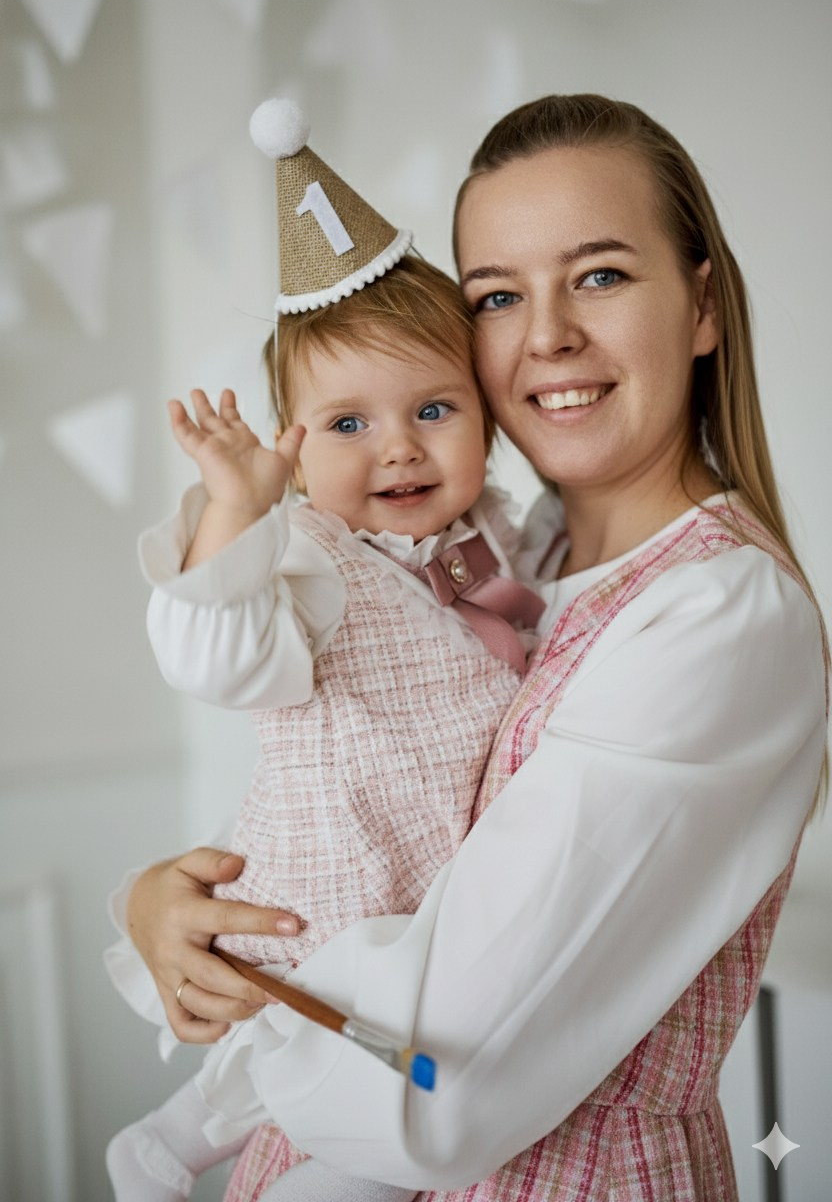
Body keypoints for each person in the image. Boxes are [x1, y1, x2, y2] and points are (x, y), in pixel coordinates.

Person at [111, 94, 828, 1202]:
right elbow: (360, 780)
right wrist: (166, 909)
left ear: (699, 305)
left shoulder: (717, 616)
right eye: (498, 295)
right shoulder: (507, 557)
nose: (546, 336)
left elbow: (431, 1088)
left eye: (599, 275)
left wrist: (259, 1001)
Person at [105, 100, 543, 1202]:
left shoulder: (498, 535)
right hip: (336, 884)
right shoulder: (307, 559)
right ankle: (165, 1147)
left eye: (433, 409)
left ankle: (163, 1146)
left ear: (486, 417)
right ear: (292, 452)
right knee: (326, 1089)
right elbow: (216, 658)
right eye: (347, 424)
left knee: (305, 1065)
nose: (398, 449)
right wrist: (234, 520)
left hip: (425, 890)